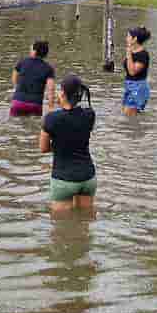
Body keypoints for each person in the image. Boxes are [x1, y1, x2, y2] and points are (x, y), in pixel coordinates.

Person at [42, 74, 98, 215]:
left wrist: (58, 147)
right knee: (86, 222)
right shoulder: (90, 115)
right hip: (88, 177)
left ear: (63, 94)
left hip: (64, 179)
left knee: (61, 228)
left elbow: (43, 148)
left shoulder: (52, 118)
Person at [11, 40, 56, 116]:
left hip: (18, 103)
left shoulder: (22, 62)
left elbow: (14, 77)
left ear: (34, 51)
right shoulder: (48, 68)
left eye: (31, 49)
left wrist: (17, 89)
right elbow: (50, 89)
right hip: (35, 104)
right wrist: (51, 107)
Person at [122, 27, 152, 115]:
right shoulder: (132, 52)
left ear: (134, 39)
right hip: (129, 85)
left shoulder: (143, 54)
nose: (126, 39)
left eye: (128, 36)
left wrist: (128, 54)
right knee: (128, 116)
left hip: (138, 87)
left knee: (129, 114)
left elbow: (132, 72)